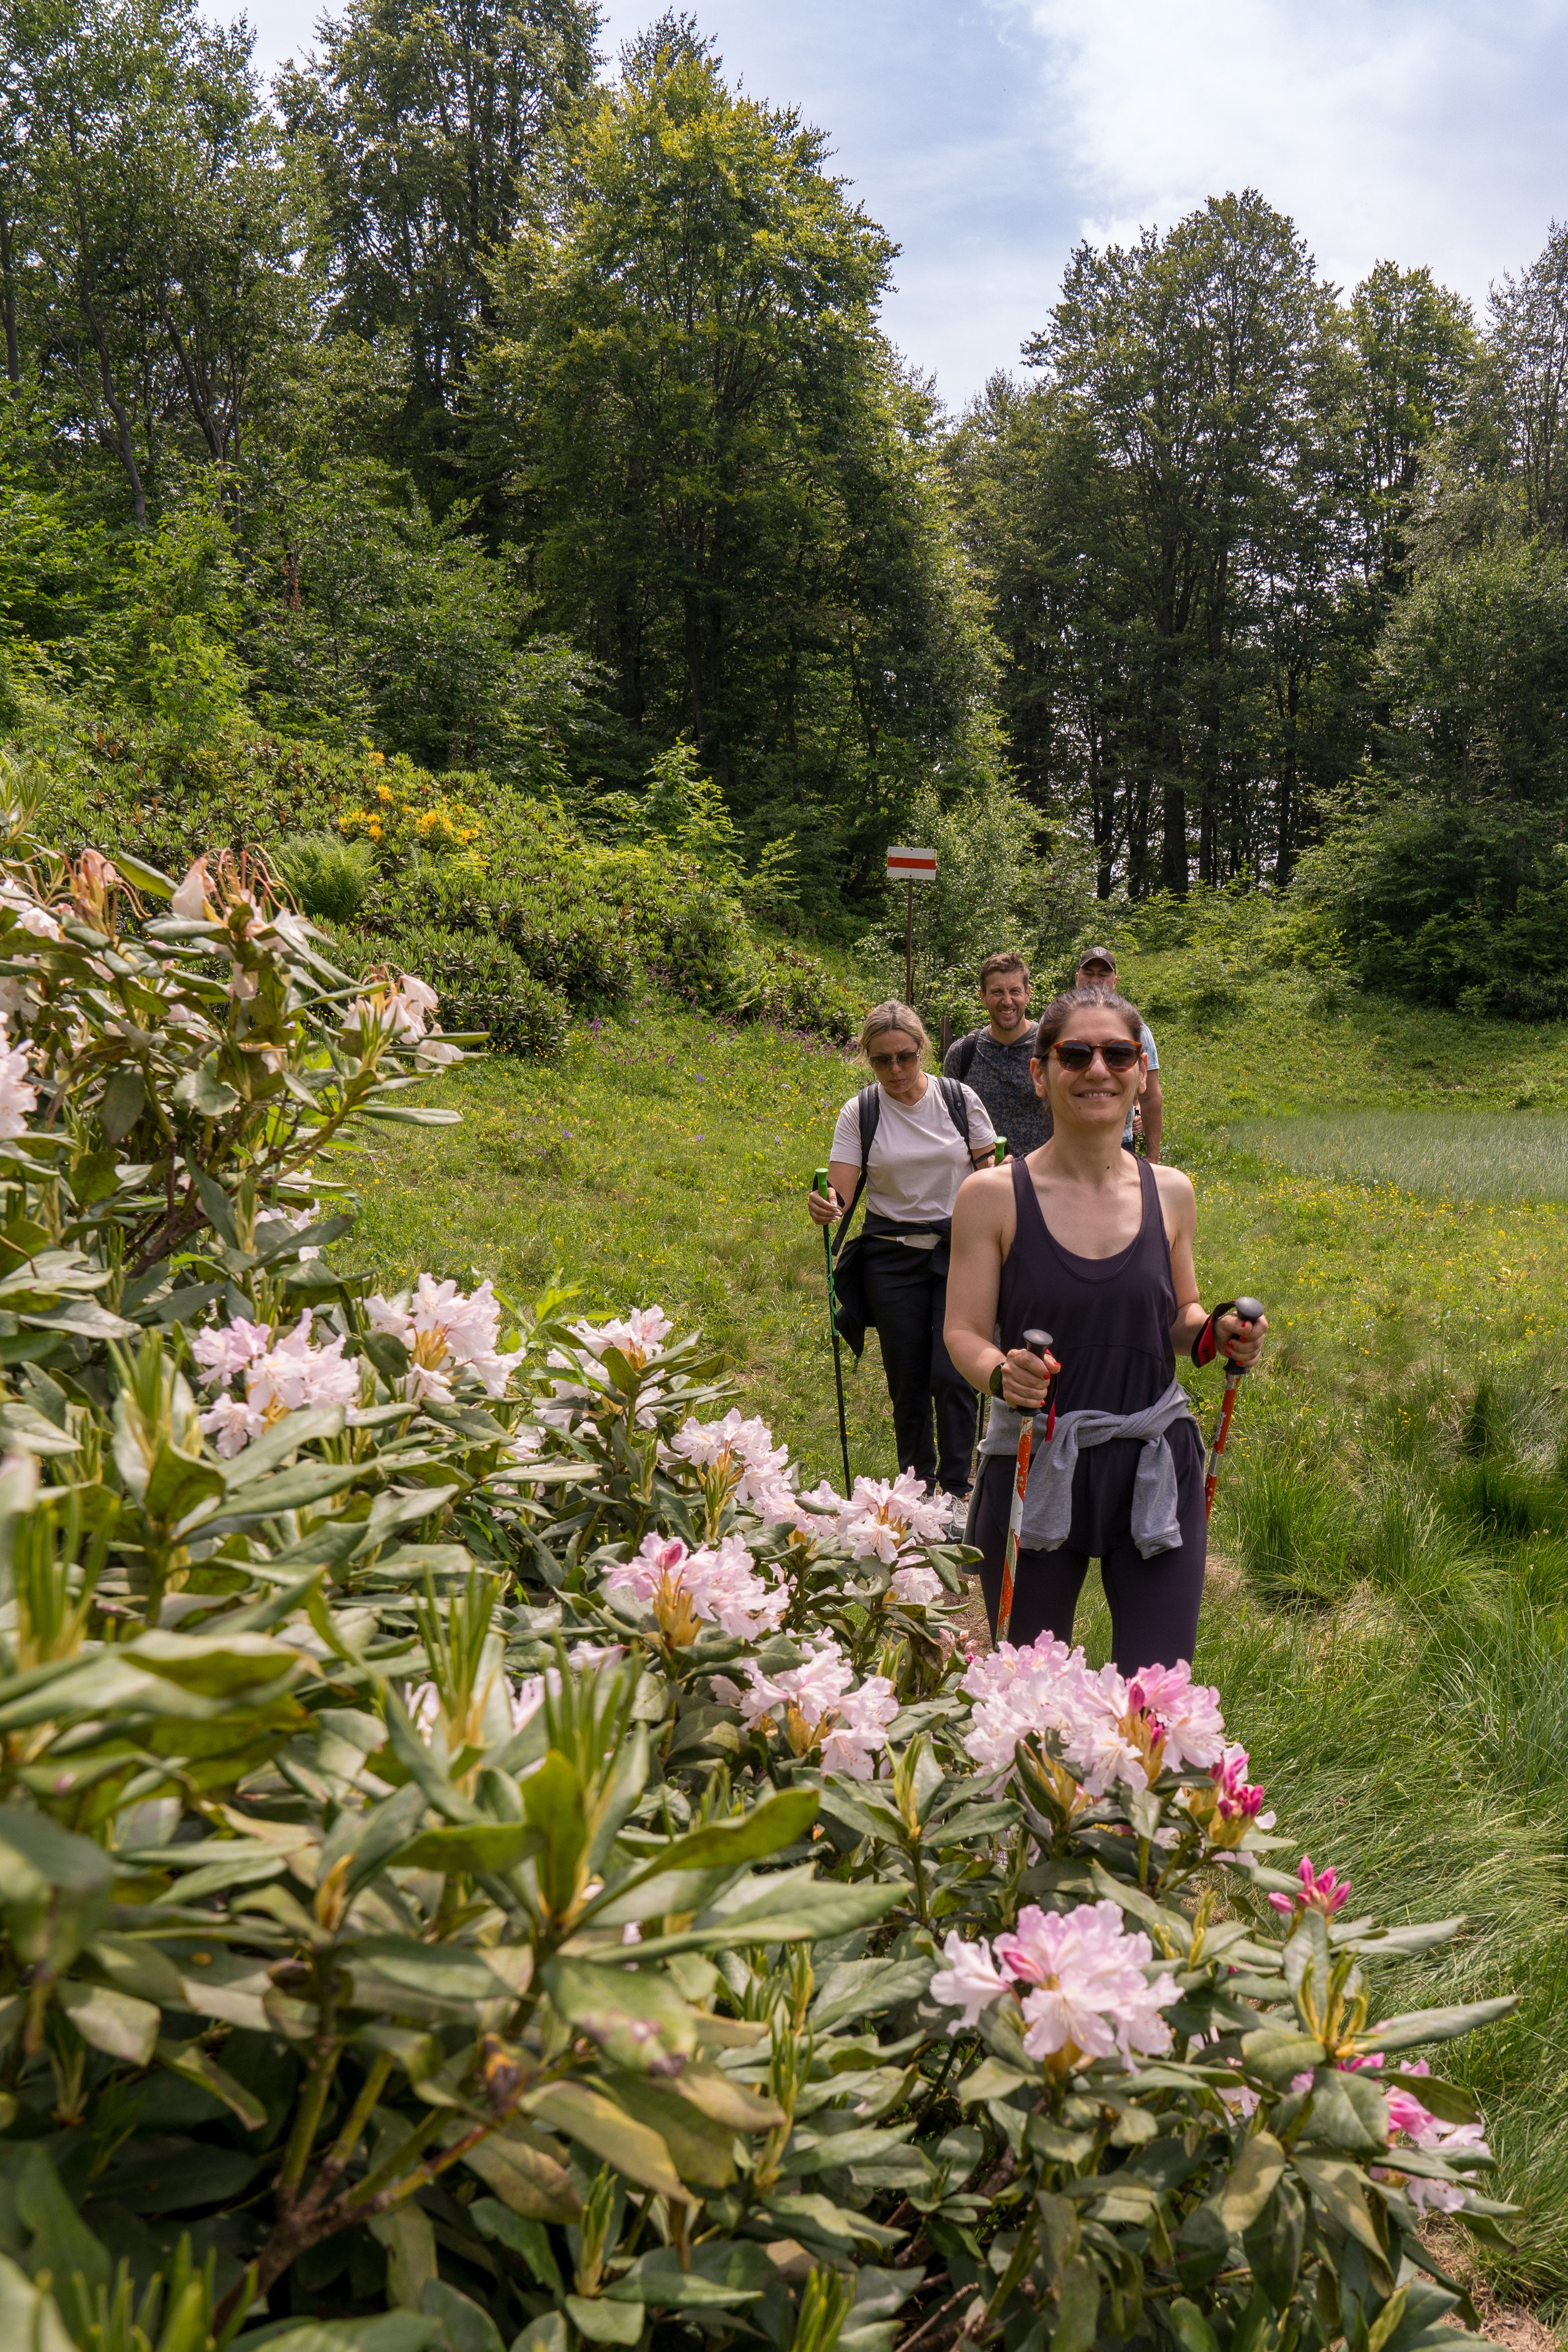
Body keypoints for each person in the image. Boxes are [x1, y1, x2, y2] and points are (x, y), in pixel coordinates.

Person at [944, 984, 1265, 1673]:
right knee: (1028, 1697)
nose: (1098, 1070)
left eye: (1119, 1054)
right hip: (1035, 1459)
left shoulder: (1170, 1190)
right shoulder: (992, 1196)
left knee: (1154, 1696)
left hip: (1152, 1461)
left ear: (1140, 1073)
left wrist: (1217, 1334)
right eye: (1076, 1054)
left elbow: (1178, 1318)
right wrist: (1004, 1373)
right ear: (1040, 1072)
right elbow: (964, 1333)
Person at [809, 1002, 995, 1509]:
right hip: (889, 1257)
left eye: (905, 1057)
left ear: (923, 1050)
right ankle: (917, 1489)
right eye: (881, 1060)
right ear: (868, 1059)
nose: (895, 1070)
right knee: (907, 1379)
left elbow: (988, 1179)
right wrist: (827, 1206)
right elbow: (840, 1192)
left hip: (958, 1253)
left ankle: (958, 1492)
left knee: (953, 1374)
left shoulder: (959, 1099)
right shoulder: (861, 1110)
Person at [941, 952, 1051, 1157]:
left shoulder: (1050, 1050)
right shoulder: (963, 1054)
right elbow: (947, 1125)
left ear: (1028, 994)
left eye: (1015, 991)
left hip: (1043, 1181)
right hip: (981, 1180)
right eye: (997, 992)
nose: (1007, 1001)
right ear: (983, 997)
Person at [1075, 947, 1161, 1161]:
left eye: (1103, 975)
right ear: (1077, 978)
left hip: (1120, 1143)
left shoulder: (1136, 1030)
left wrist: (1152, 1159)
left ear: (1115, 982)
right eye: (1089, 973)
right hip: (1066, 1142)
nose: (1095, 981)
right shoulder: (1058, 1026)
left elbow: (1151, 1096)